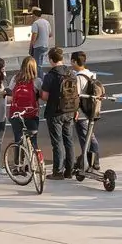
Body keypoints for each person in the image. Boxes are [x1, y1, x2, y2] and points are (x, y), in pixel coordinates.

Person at [40, 45, 78, 179]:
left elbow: (44, 96)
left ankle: (58, 171)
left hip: (54, 112)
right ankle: (70, 169)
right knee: (69, 140)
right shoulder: (71, 73)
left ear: (51, 60)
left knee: (57, 142)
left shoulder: (50, 76)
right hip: (69, 110)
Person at [7, 55, 41, 171]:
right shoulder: (37, 81)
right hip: (32, 114)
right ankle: (36, 164)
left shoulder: (15, 79)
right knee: (33, 140)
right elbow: (42, 96)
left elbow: (9, 97)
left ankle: (18, 166)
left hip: (16, 114)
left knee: (18, 140)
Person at [71, 49, 102, 173]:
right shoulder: (91, 74)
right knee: (90, 135)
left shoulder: (78, 78)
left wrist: (75, 111)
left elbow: (76, 96)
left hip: (82, 112)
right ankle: (93, 160)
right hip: (92, 110)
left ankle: (90, 162)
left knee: (86, 138)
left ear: (74, 61)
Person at [29, 7, 51, 75]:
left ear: (34, 15)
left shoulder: (35, 23)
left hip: (38, 46)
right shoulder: (46, 22)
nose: (31, 16)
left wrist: (31, 47)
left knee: (37, 65)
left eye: (32, 15)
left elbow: (34, 37)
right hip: (45, 46)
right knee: (41, 64)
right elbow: (50, 34)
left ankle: (40, 80)